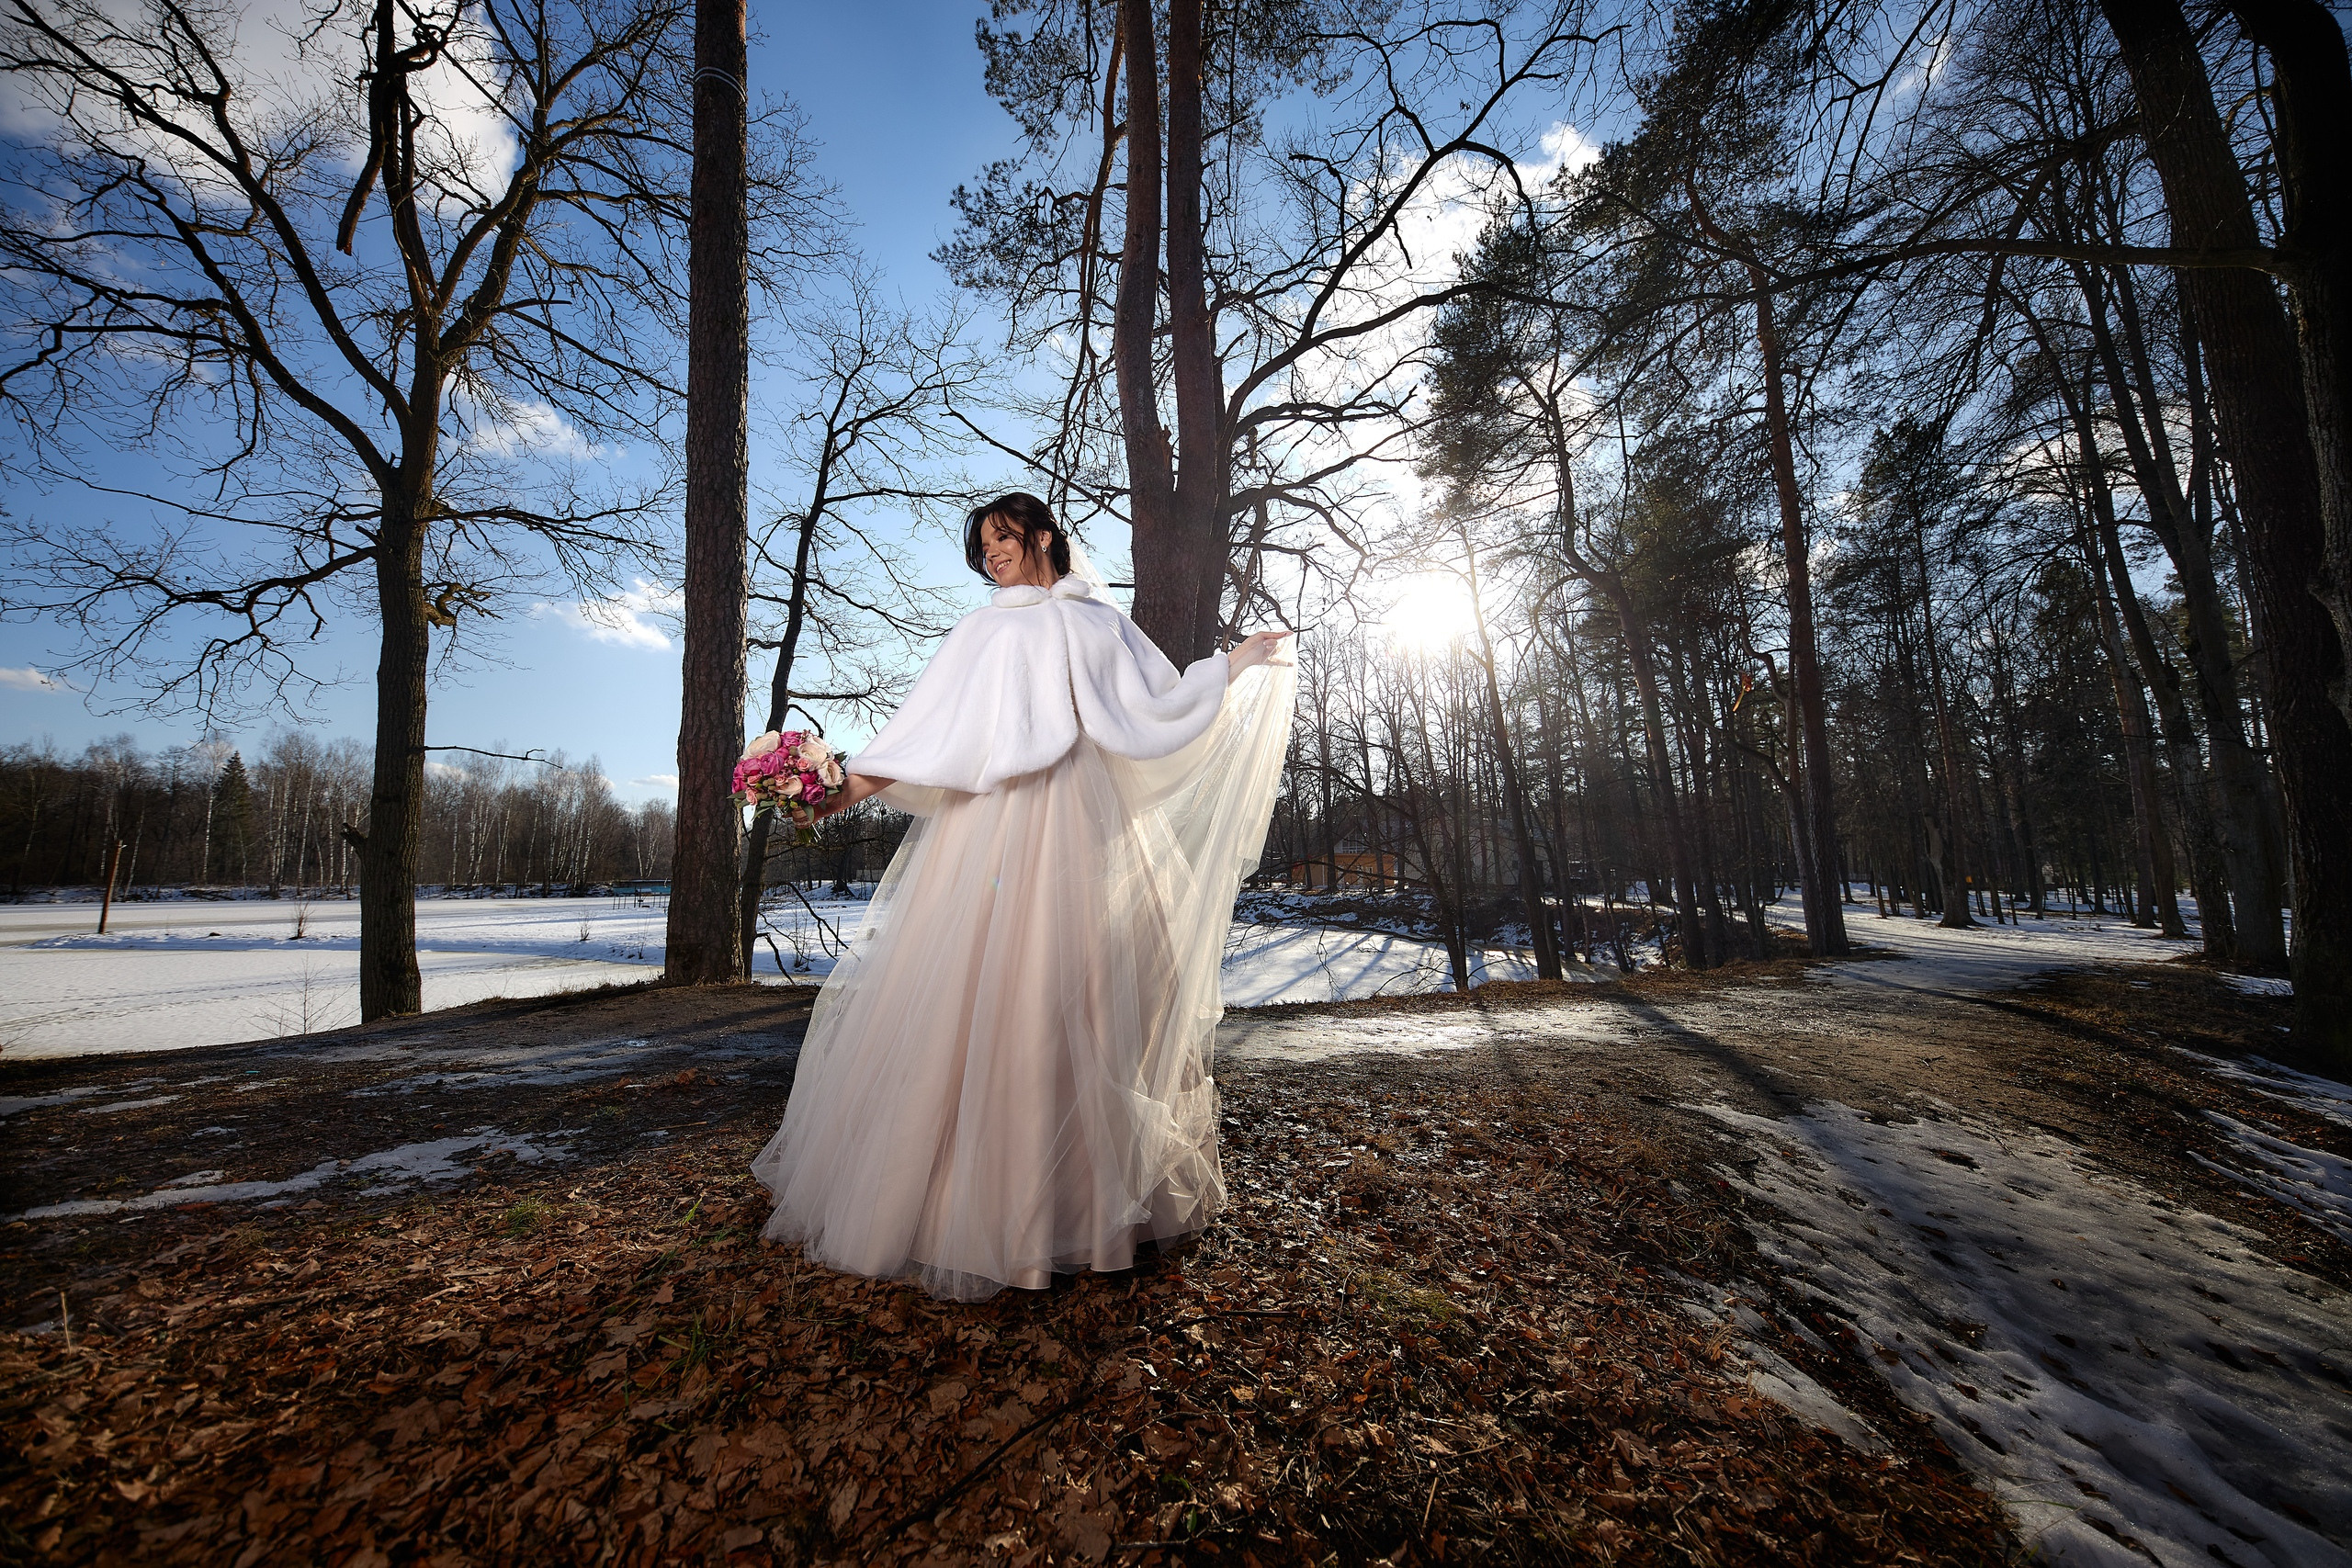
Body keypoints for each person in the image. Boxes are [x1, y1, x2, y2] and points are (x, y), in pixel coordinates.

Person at [750, 492, 1295, 1301]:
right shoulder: (982, 630)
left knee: (1091, 996)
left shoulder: (1096, 621)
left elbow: (1157, 702)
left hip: (1086, 828)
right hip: (994, 830)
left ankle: (1089, 1212)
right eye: (983, 546)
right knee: (986, 1000)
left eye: (1003, 538)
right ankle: (960, 1210)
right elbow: (924, 736)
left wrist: (1236, 662)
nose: (992, 554)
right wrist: (830, 789)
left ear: (1042, 535)